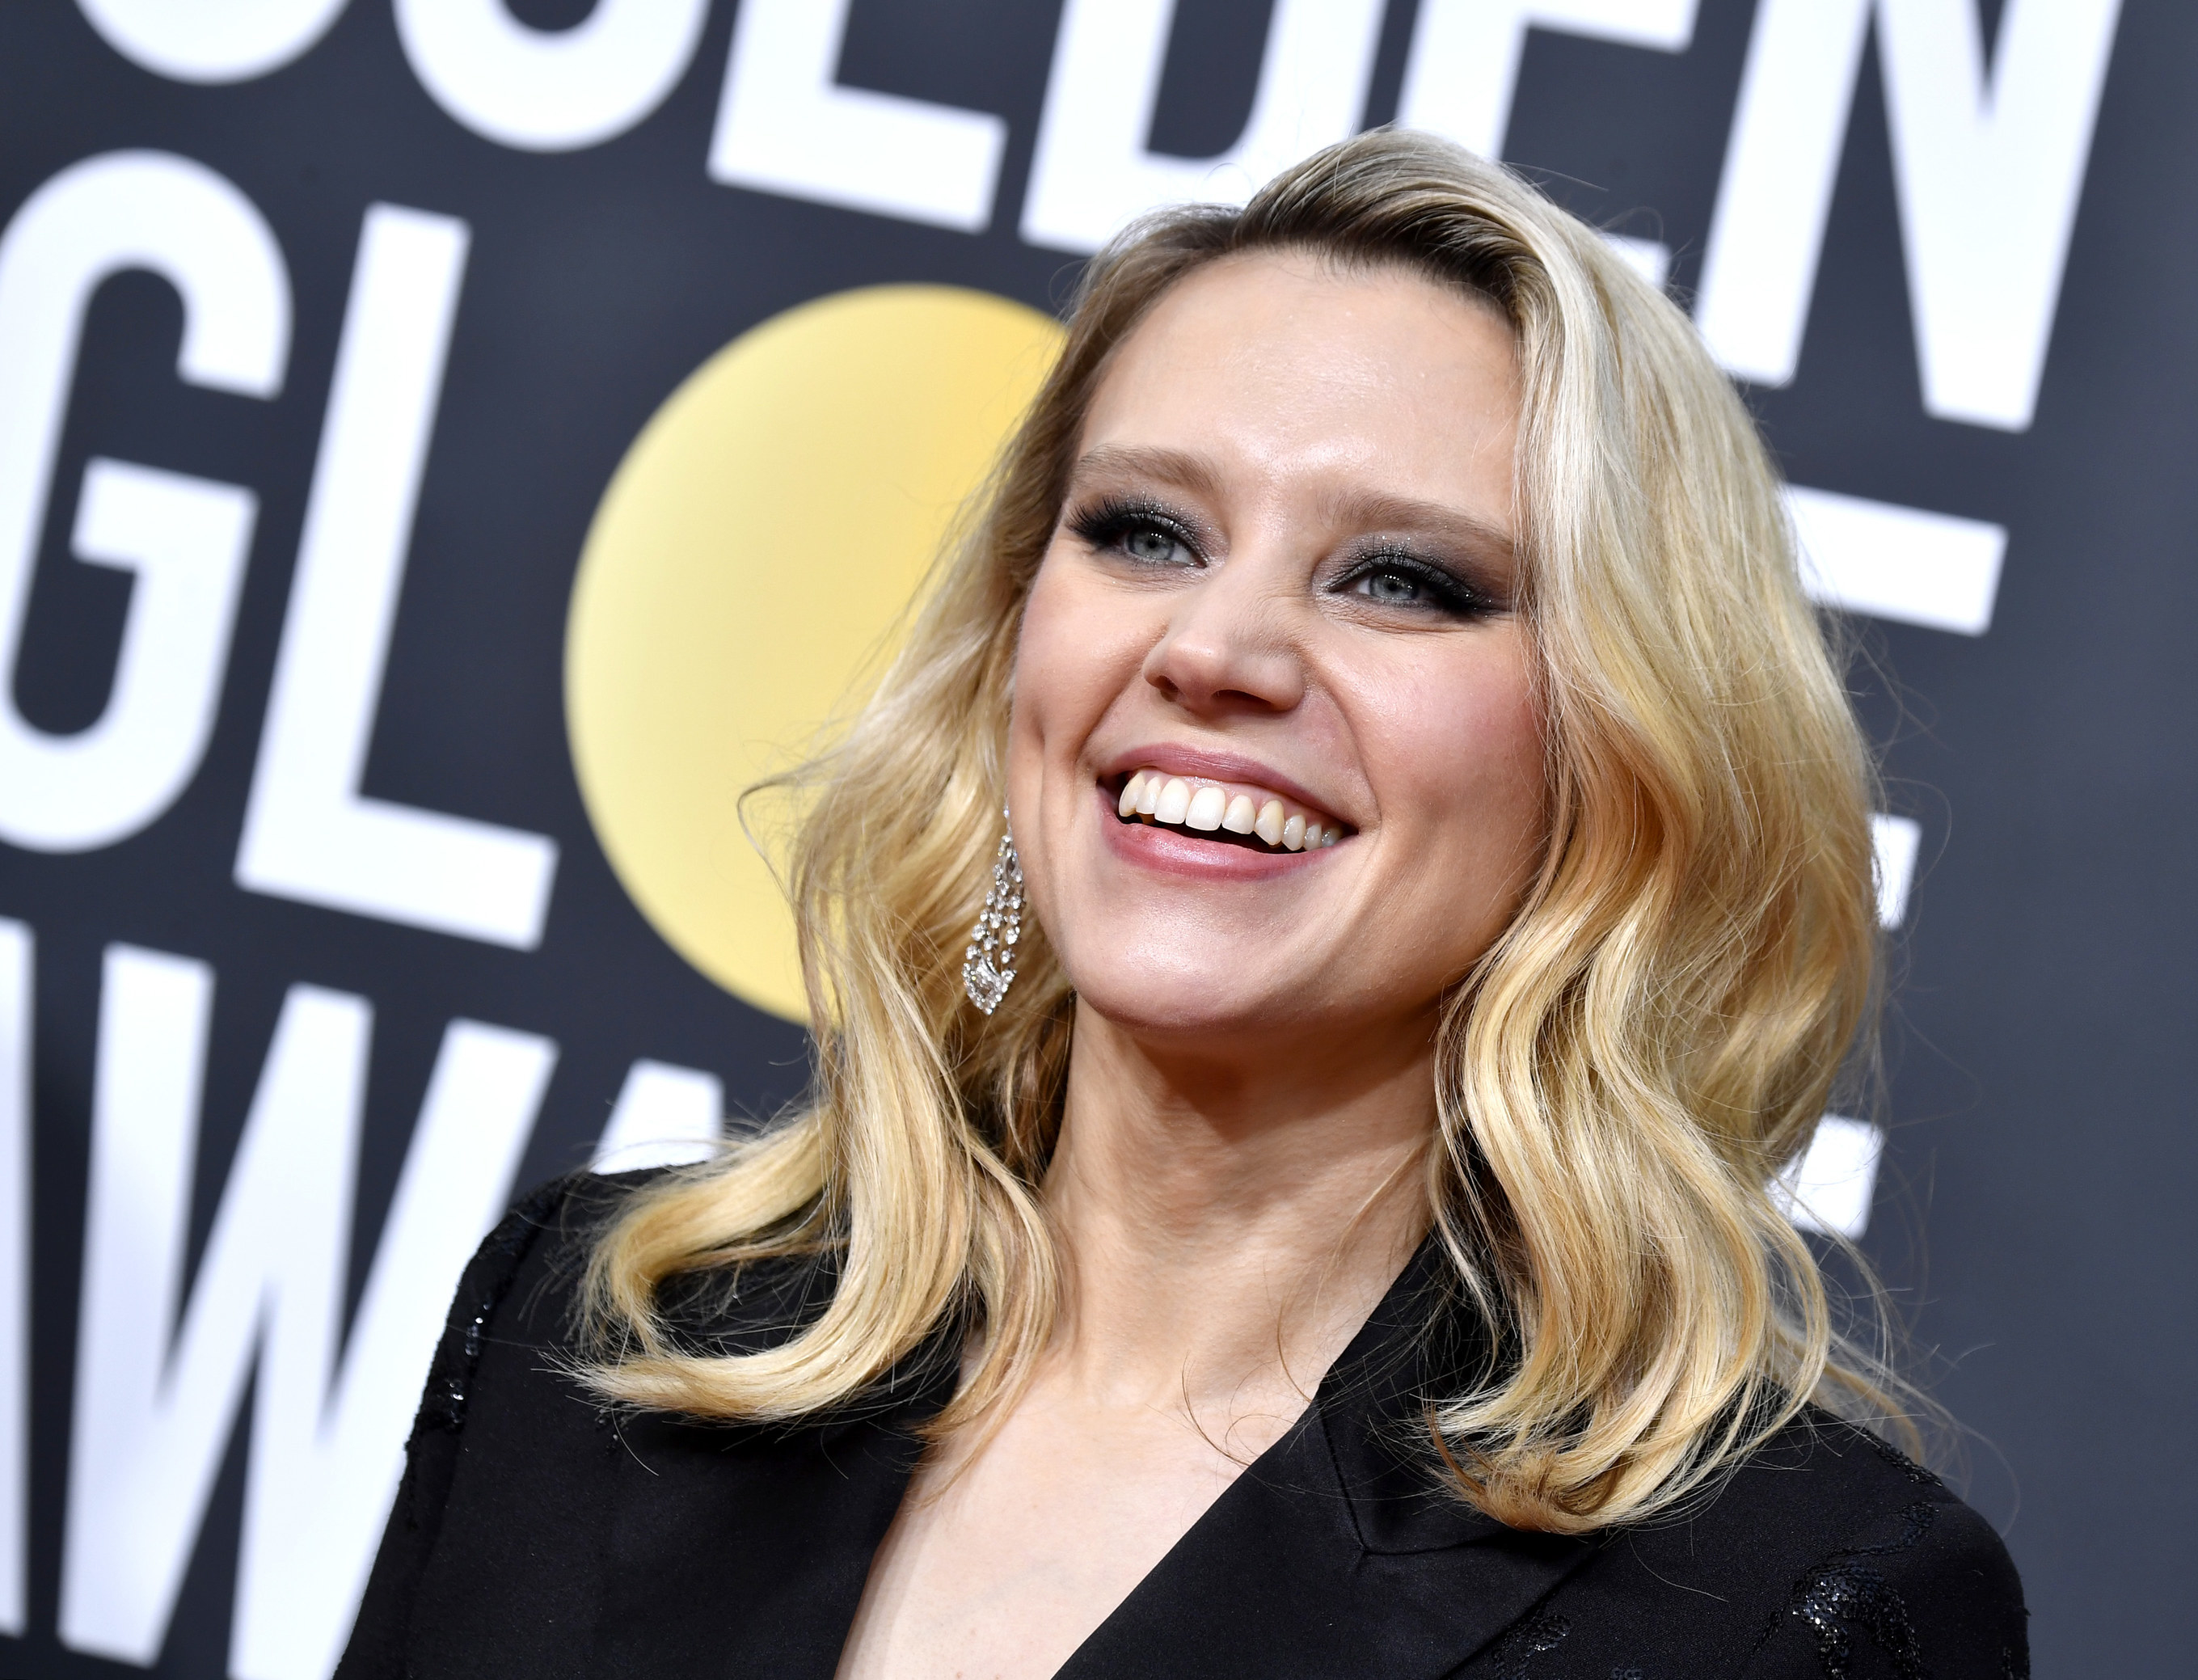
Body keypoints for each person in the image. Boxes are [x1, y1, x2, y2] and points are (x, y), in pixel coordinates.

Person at [339, 129, 2023, 1680]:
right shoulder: (598, 1329)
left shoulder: (1792, 1608)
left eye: (1403, 580)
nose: (1212, 651)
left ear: (1619, 759)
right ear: (1015, 637)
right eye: (1144, 532)